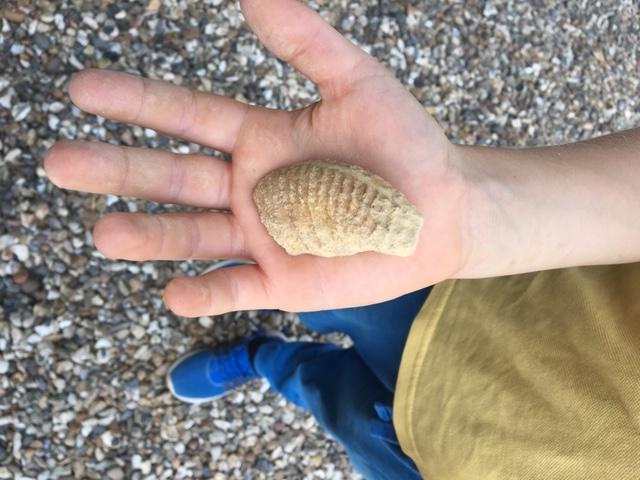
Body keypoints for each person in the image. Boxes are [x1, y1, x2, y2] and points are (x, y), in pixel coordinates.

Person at [44, 0, 640, 478]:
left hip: (430, 462)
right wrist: (473, 206)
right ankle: (262, 352)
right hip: (486, 297)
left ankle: (273, 360)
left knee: (338, 409)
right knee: (316, 292)